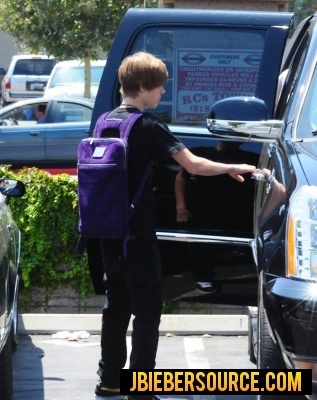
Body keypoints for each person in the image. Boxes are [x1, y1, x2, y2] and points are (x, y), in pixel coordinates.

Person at [93, 51, 257, 400]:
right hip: (137, 234)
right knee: (148, 307)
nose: (164, 92)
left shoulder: (104, 121)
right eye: (160, 86)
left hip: (108, 231)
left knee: (116, 304)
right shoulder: (148, 126)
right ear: (142, 86)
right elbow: (193, 165)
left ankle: (108, 380)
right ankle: (140, 388)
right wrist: (231, 167)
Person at [175, 141, 259, 293]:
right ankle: (203, 278)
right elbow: (181, 178)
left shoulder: (251, 156)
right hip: (207, 206)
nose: (231, 139)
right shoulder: (201, 153)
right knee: (202, 245)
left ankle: (252, 278)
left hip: (242, 208)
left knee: (245, 245)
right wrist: (181, 206)